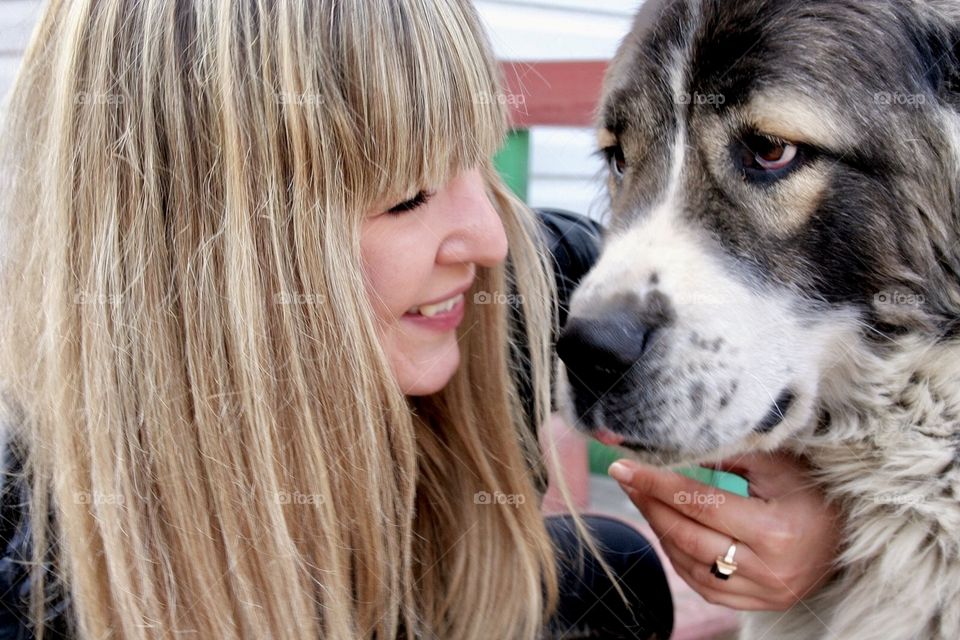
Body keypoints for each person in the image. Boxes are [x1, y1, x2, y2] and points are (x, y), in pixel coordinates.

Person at [0, 1, 838, 638]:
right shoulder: (32, 577)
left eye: (479, 156)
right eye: (407, 195)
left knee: (609, 577)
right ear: (199, 248)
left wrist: (820, 517)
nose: (486, 238)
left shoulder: (516, 285)